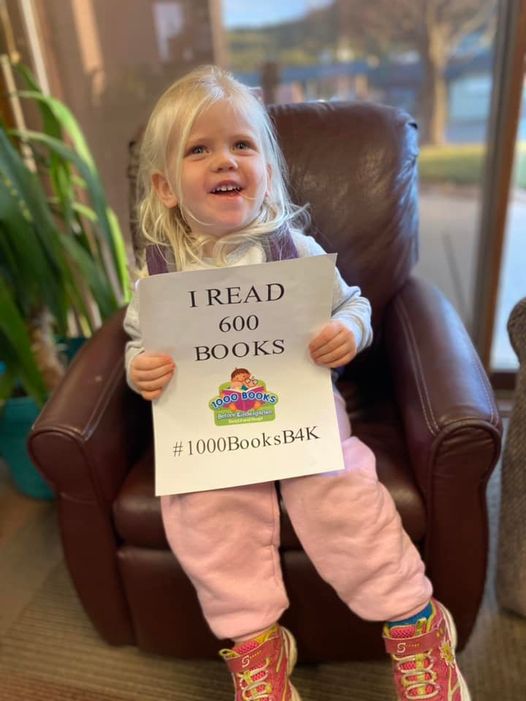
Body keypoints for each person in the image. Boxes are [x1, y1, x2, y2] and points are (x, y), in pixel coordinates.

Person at [123, 65, 470, 701]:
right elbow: (138, 344)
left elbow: (356, 304)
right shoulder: (158, 276)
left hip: (305, 421)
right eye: (199, 150)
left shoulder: (294, 250)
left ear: (266, 171)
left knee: (342, 497)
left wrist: (349, 330)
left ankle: (416, 625)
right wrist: (139, 368)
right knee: (206, 515)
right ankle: (255, 647)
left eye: (241, 145)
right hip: (213, 435)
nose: (224, 160)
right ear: (165, 188)